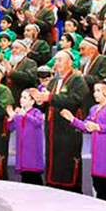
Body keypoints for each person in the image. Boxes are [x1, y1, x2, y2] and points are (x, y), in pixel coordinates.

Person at [35, 50, 88, 192]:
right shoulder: (53, 81)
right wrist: (40, 100)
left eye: (60, 60)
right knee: (53, 160)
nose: (56, 63)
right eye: (56, 60)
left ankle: (72, 190)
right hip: (52, 129)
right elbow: (47, 103)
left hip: (68, 129)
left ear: (70, 62)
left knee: (67, 162)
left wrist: (49, 98)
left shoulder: (77, 80)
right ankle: (53, 188)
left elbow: (75, 100)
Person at [67, 81, 106, 204]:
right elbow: (86, 126)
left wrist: (98, 127)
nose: (95, 93)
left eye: (99, 91)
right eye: (95, 91)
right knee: (99, 186)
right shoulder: (93, 109)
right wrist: (72, 119)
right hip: (97, 157)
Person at [6, 88, 44, 184]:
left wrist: (25, 115)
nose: (21, 99)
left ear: (32, 101)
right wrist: (11, 118)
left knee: (34, 177)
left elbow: (38, 122)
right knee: (25, 177)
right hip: (22, 151)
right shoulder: (18, 115)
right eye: (21, 97)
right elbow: (11, 128)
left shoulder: (36, 112)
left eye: (24, 97)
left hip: (32, 151)